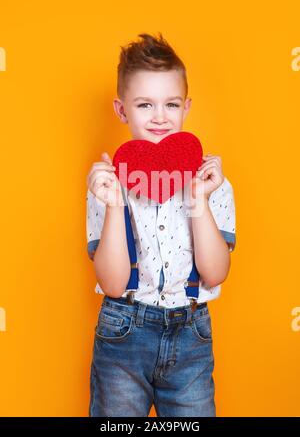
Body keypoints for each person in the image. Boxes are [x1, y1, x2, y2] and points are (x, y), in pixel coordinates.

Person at [86, 32, 236, 417]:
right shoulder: (106, 185)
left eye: (170, 104)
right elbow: (115, 284)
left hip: (191, 334)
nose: (159, 116)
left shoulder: (211, 181)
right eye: (144, 104)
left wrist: (199, 198)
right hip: (123, 333)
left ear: (186, 106)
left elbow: (215, 273)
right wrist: (116, 204)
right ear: (122, 111)